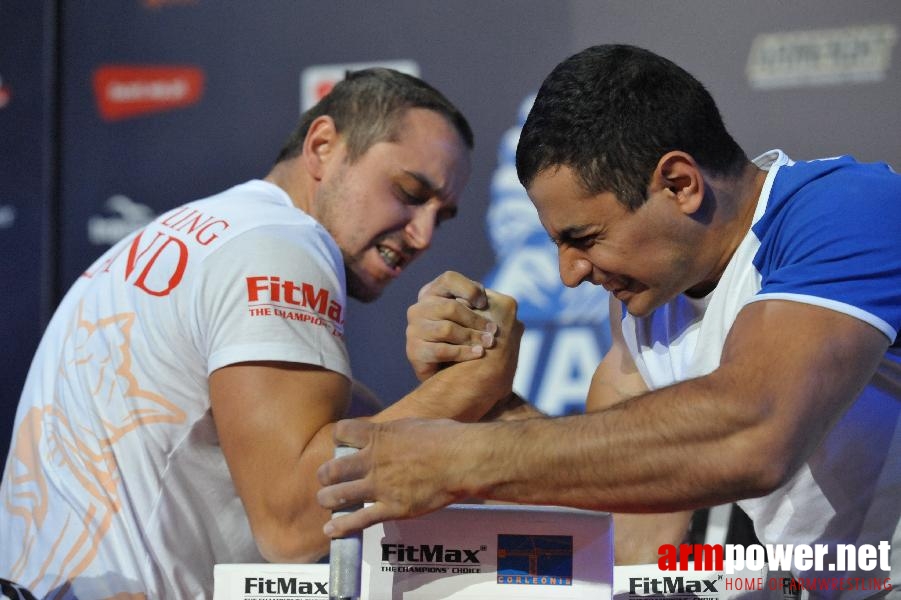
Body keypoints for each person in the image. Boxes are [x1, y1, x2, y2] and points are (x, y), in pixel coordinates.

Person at [317, 45, 901, 593]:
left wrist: (460, 458)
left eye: (584, 238)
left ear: (680, 184)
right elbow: (623, 517)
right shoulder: (650, 297)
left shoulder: (847, 209)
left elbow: (756, 431)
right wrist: (482, 395)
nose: (570, 272)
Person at [0, 68, 523, 599]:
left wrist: (459, 407)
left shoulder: (206, 231)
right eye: (409, 192)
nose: (423, 234)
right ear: (322, 146)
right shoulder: (282, 243)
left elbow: (349, 432)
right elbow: (290, 520)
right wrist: (470, 383)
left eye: (443, 215)